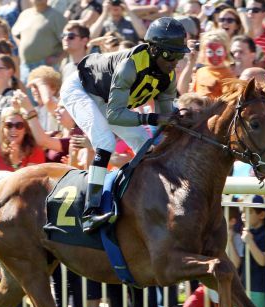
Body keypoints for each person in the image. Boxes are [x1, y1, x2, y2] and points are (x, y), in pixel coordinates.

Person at [60, 17, 188, 233]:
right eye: (170, 54)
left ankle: (148, 201)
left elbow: (164, 124)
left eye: (179, 55)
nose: (175, 61)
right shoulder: (129, 66)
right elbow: (115, 116)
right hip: (81, 89)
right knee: (105, 141)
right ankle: (91, 210)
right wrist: (154, 119)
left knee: (145, 145)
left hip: (107, 98)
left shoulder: (169, 76)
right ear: (154, 49)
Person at [236, 196, 265, 307]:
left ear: (261, 215)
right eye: (242, 212)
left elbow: (262, 260)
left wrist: (250, 241)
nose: (243, 215)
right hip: (246, 285)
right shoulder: (246, 233)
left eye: (248, 212)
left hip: (259, 286)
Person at [11, 0, 67, 82]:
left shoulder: (56, 16)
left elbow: (69, 40)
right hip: (25, 67)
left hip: (46, 68)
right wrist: (21, 45)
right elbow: (14, 33)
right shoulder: (25, 14)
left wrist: (59, 58)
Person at [0, 106, 46, 171]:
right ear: (3, 129)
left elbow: (29, 180)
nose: (13, 129)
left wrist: (16, 163)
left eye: (19, 125)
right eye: (8, 125)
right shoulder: (0, 151)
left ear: (26, 130)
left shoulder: (36, 151)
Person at [190, 30, 236, 101]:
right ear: (204, 53)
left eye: (218, 52)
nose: (214, 57)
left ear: (226, 51)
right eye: (210, 52)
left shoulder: (228, 76)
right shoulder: (200, 71)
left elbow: (228, 102)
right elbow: (191, 94)